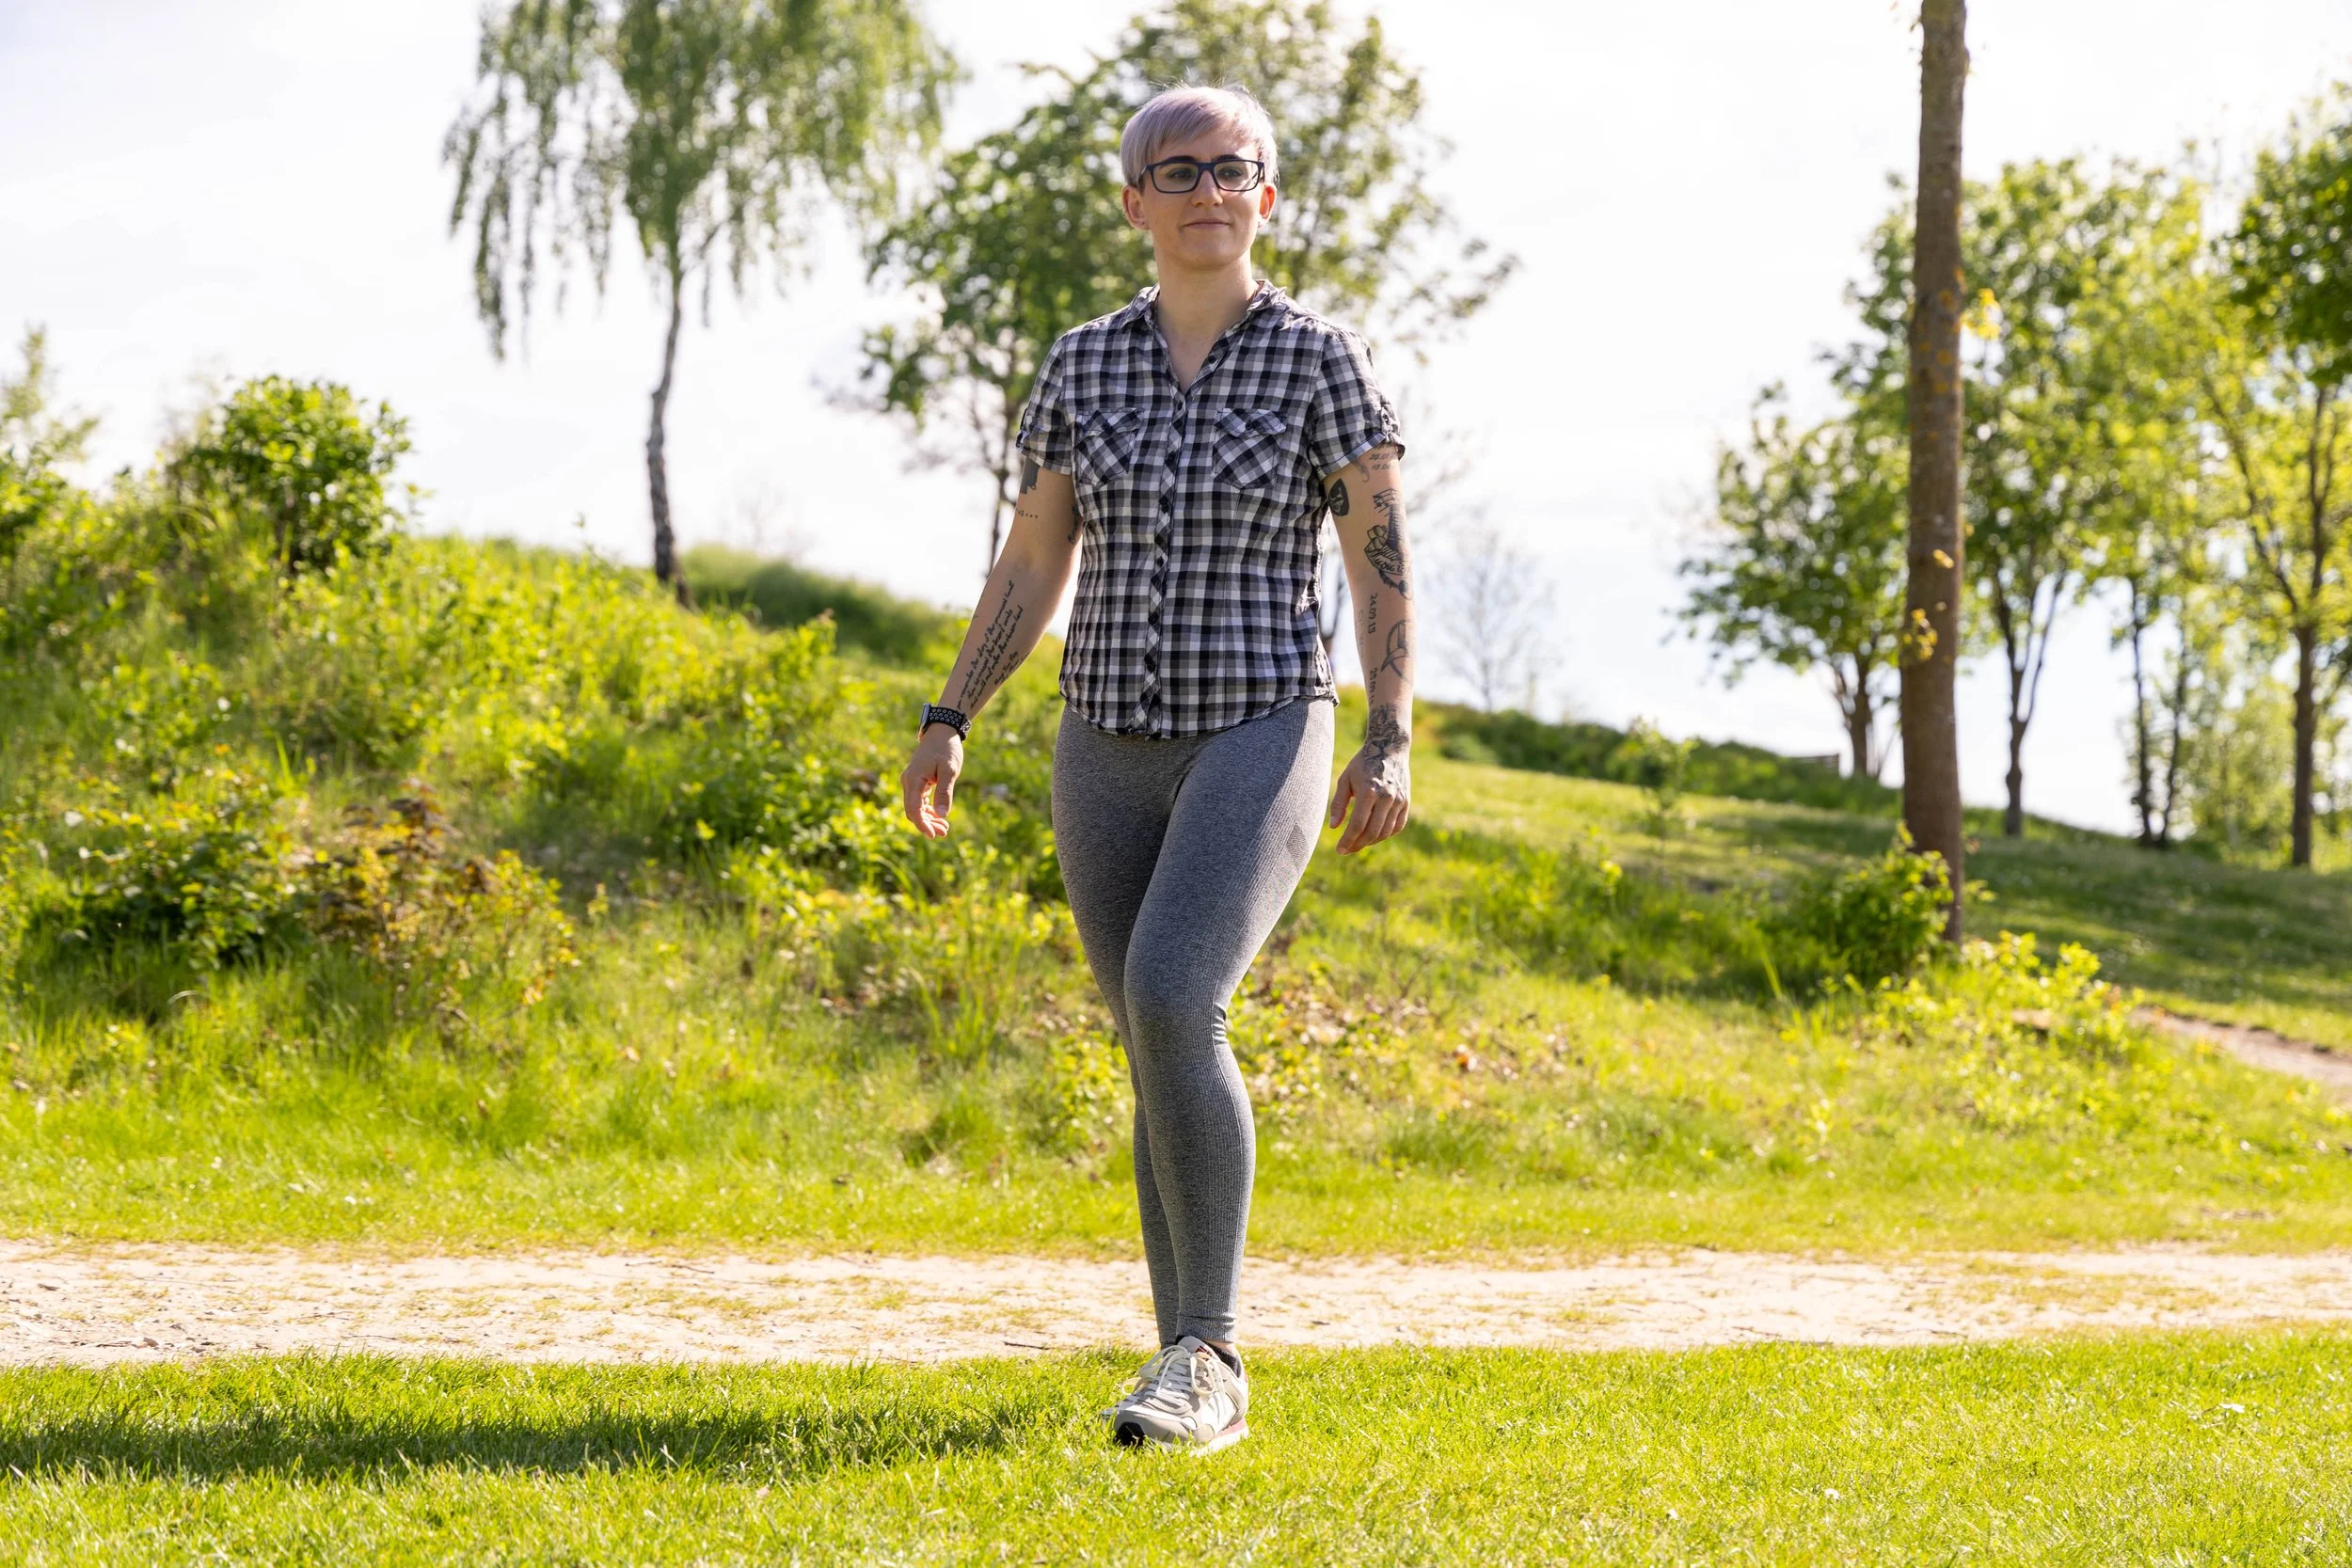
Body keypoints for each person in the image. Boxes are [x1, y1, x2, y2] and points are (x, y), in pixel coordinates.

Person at [898, 82, 1416, 1455]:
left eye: (1229, 170)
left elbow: (1380, 553)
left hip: (1263, 722)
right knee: (1147, 1030)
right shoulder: (1083, 363)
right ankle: (1175, 1356)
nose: (1203, 192)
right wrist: (952, 710)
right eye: (1174, 172)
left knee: (1178, 993)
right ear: (1133, 202)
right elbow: (1033, 556)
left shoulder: (1323, 360)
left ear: (1267, 195)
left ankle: (1211, 1351)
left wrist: (1392, 729)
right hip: (1103, 740)